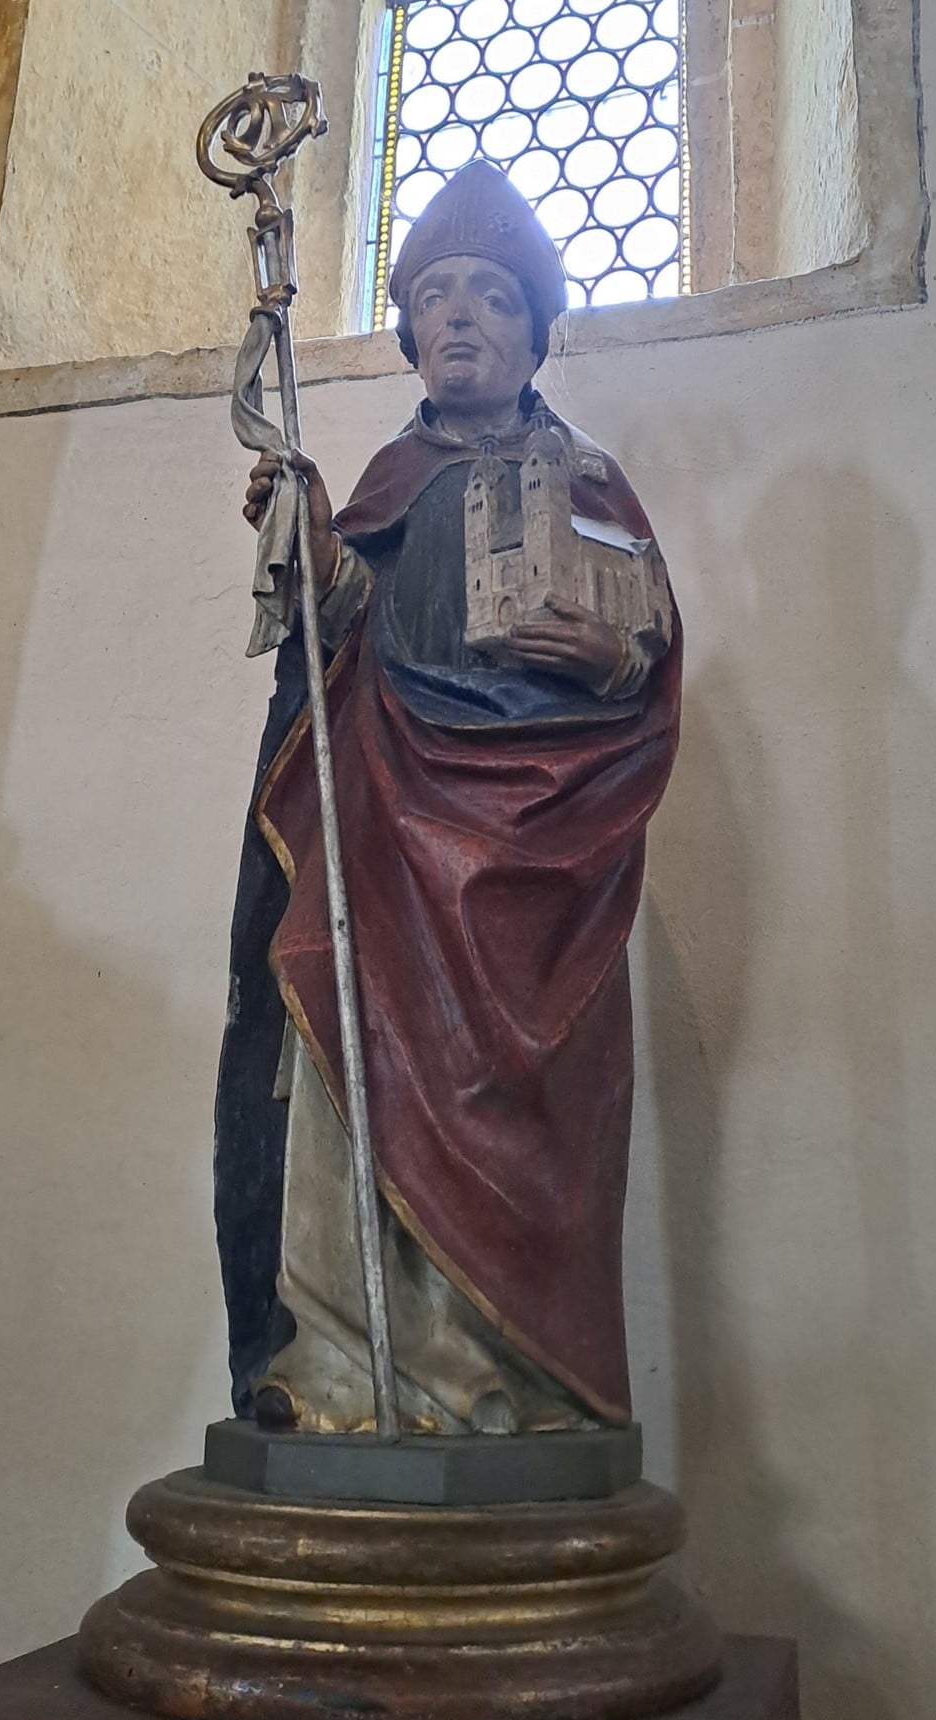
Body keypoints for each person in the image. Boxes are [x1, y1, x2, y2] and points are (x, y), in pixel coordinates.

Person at [214, 160, 678, 1436]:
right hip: (382, 838)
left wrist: (609, 651)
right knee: (331, 1029)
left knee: (522, 1115)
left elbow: (647, 653)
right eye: (434, 298)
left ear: (538, 328)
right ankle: (344, 1376)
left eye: (490, 296)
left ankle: (508, 1394)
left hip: (540, 868)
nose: (461, 316)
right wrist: (306, 530)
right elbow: (334, 633)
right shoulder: (387, 483)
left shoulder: (589, 481)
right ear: (412, 332)